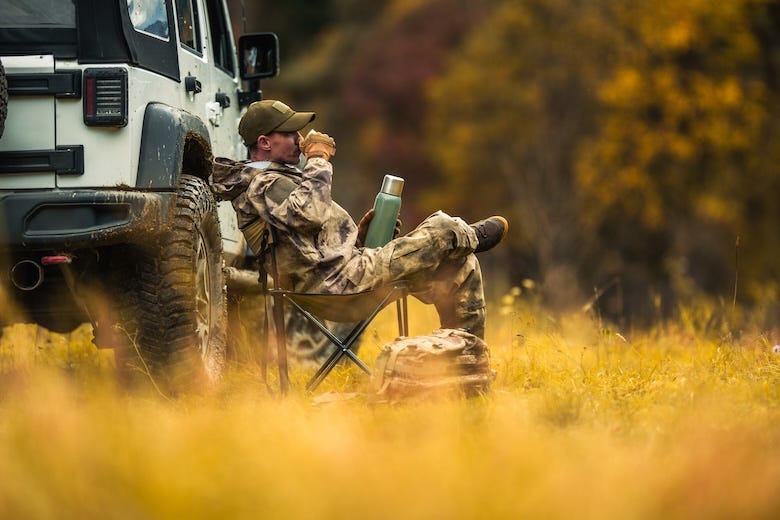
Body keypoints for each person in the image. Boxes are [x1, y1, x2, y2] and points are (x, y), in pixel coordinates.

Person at [210, 99, 508, 339]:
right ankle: (467, 234)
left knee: (460, 265)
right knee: (442, 228)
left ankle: (465, 359)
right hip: (336, 289)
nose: (299, 139)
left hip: (347, 276)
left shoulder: (280, 179)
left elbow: (310, 245)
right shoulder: (261, 184)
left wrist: (361, 238)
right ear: (264, 142)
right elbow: (308, 215)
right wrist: (318, 160)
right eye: (289, 133)